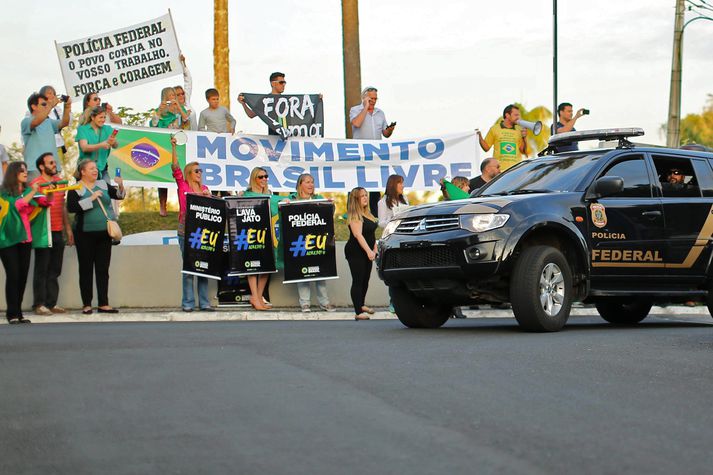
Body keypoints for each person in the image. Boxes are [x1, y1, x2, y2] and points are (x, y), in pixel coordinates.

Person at [66, 159, 125, 315]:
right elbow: (72, 208)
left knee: (102, 269)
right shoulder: (75, 188)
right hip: (84, 234)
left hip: (104, 234)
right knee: (85, 269)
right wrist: (91, 199)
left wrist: (120, 185)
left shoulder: (103, 184)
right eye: (91, 168)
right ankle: (86, 304)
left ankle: (103, 303)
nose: (95, 171)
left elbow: (119, 196)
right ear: (82, 171)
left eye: (96, 168)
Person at [0, 162, 51, 323]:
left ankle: (18, 312)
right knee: (13, 275)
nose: (25, 172)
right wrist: (34, 191)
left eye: (25, 170)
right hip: (8, 239)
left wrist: (50, 192)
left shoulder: (29, 190)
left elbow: (45, 203)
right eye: (21, 170)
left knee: (22, 276)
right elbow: (17, 204)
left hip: (25, 239)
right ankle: (12, 313)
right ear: (13, 173)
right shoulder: (4, 193)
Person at [170, 136, 213, 312]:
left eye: (200, 171)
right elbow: (175, 168)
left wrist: (209, 199)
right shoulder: (183, 186)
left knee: (203, 267)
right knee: (189, 267)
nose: (199, 173)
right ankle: (188, 303)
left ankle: (204, 302)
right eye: (196, 171)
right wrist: (173, 148)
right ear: (189, 173)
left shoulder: (205, 189)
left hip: (202, 231)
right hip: (186, 230)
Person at [30, 153, 73, 316]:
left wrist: (67, 228)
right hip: (43, 232)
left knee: (55, 269)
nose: (54, 165)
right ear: (42, 166)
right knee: (42, 268)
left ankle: (51, 303)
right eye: (51, 163)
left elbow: (62, 206)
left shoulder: (59, 182)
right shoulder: (36, 184)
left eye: (54, 162)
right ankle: (39, 304)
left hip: (57, 231)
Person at [287, 173, 336, 313]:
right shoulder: (292, 198)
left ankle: (324, 303)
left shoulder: (318, 198)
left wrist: (330, 205)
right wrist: (284, 204)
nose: (311, 185)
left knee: (320, 272)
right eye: (307, 182)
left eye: (312, 182)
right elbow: (278, 206)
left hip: (317, 241)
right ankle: (305, 304)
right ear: (300, 184)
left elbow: (329, 214)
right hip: (300, 242)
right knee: (302, 272)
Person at [242, 167, 286, 310]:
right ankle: (254, 296)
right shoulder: (246, 195)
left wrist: (286, 200)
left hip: (268, 236)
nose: (264, 179)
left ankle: (258, 297)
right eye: (261, 177)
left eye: (266, 177)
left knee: (267, 267)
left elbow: (279, 205)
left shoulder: (270, 196)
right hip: (252, 236)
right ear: (254, 178)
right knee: (253, 267)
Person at [350, 86, 396, 215]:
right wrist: (365, 107)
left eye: (375, 99)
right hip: (360, 153)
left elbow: (385, 133)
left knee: (375, 185)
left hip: (376, 154)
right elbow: (357, 124)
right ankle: (356, 212)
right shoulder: (355, 110)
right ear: (364, 97)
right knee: (358, 184)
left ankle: (375, 215)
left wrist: (390, 130)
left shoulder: (380, 113)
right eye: (371, 99)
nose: (374, 101)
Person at [151, 87, 190, 216]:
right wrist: (160, 112)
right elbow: (153, 125)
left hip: (178, 145)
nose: (173, 97)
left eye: (174, 94)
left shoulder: (179, 108)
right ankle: (163, 205)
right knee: (162, 175)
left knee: (179, 176)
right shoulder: (159, 110)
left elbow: (185, 119)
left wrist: (178, 106)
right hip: (163, 145)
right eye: (170, 95)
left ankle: (182, 206)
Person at [21, 92, 71, 179]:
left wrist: (67, 106)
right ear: (33, 106)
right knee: (39, 193)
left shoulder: (48, 121)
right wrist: (50, 106)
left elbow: (64, 123)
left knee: (57, 193)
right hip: (35, 169)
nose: (46, 106)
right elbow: (36, 121)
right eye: (44, 104)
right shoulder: (26, 121)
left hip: (53, 168)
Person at [345, 187, 378, 321]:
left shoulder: (368, 214)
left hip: (367, 251)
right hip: (355, 252)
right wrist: (369, 251)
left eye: (366, 195)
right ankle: (358, 311)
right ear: (355, 199)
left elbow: (371, 234)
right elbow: (358, 235)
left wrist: (374, 248)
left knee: (365, 280)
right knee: (358, 280)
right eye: (362, 196)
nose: (365, 198)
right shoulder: (355, 216)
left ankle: (362, 304)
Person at [477, 104, 527, 172]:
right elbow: (486, 148)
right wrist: (479, 137)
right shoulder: (494, 129)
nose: (518, 117)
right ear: (507, 115)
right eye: (516, 115)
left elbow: (523, 151)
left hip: (515, 170)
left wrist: (524, 138)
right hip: (499, 171)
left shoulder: (519, 129)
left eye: (518, 115)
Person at [76, 106, 118, 181]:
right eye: (100, 117)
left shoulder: (108, 128)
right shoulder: (83, 129)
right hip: (86, 170)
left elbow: (116, 145)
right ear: (92, 117)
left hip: (102, 169)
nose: (103, 120)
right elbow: (84, 147)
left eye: (104, 117)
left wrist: (113, 142)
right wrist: (101, 145)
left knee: (107, 191)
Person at [175, 54, 197, 131]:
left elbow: (188, 81)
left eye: (182, 93)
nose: (181, 96)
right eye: (178, 95)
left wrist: (183, 64)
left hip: (194, 138)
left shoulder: (187, 103)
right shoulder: (171, 110)